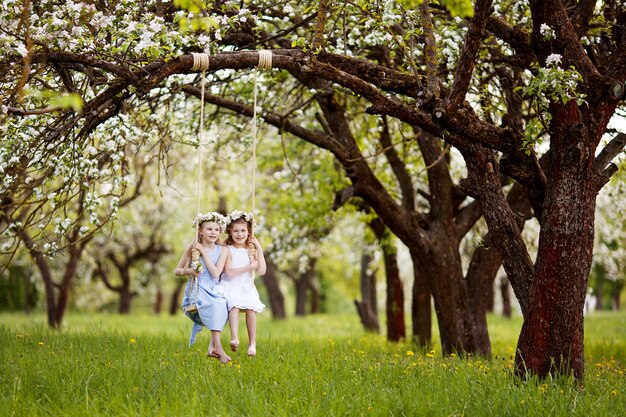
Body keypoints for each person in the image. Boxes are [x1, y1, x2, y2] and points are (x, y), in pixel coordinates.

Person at [174, 212, 231, 364]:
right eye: (209, 229)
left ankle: (212, 347)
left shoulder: (223, 250)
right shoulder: (193, 249)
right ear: (200, 231)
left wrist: (204, 253)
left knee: (221, 304)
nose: (213, 232)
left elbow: (215, 273)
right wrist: (189, 271)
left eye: (216, 229)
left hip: (214, 287)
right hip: (198, 289)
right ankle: (218, 348)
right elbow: (177, 270)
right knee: (213, 304)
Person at [222, 210, 266, 356]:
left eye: (243, 230)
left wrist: (258, 248)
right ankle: (234, 337)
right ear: (230, 232)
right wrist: (249, 267)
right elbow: (229, 272)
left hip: (246, 286)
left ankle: (252, 343)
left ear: (249, 232)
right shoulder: (228, 250)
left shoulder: (251, 250)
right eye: (236, 231)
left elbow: (261, 271)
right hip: (231, 284)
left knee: (250, 309)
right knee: (234, 305)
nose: (240, 234)